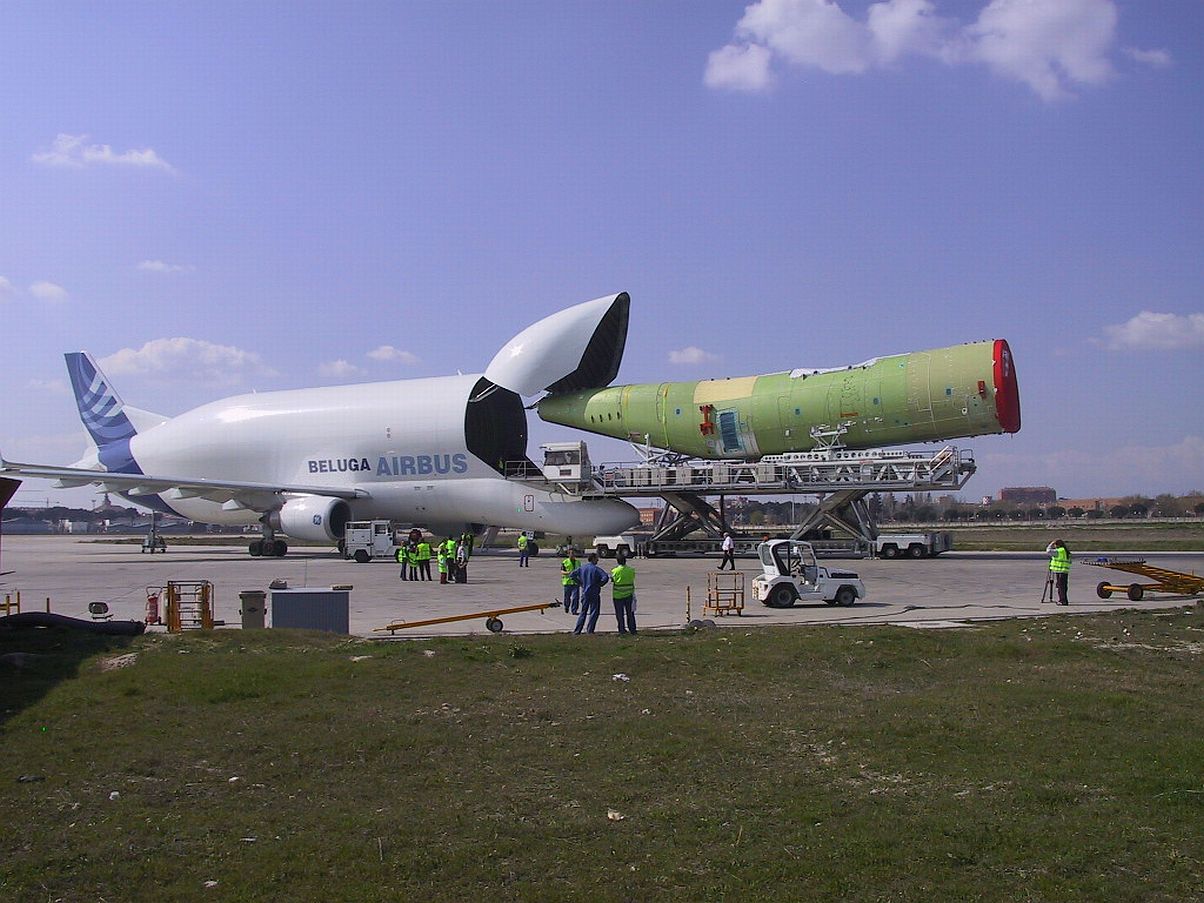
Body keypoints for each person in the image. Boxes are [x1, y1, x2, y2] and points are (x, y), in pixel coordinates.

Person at [569, 553, 609, 635]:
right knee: (594, 611)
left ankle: (577, 630)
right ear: (593, 559)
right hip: (594, 592)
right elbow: (605, 577)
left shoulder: (582, 568)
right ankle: (590, 630)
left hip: (585, 592)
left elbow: (572, 575)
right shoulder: (596, 569)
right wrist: (600, 584)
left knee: (583, 612)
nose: (597, 560)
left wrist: (580, 583)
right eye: (596, 558)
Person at [610, 554, 637, 634]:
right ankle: (632, 629)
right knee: (630, 613)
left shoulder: (615, 571)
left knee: (620, 614)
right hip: (629, 594)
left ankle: (621, 629)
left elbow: (613, 579)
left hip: (618, 595)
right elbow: (632, 578)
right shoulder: (631, 570)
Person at [1046, 539, 1071, 605]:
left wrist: (1051, 543)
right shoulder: (1065, 551)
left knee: (1061, 586)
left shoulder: (1059, 551)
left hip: (1060, 570)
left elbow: (1048, 551)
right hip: (1064, 571)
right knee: (1063, 586)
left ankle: (1063, 601)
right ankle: (1064, 599)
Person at [560, 548, 580, 615]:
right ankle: (566, 606)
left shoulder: (578, 562)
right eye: (571, 553)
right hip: (567, 582)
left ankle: (574, 610)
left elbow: (580, 571)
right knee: (567, 597)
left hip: (576, 582)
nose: (572, 555)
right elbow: (562, 571)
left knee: (575, 597)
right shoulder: (565, 562)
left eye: (573, 553)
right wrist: (569, 572)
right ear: (568, 554)